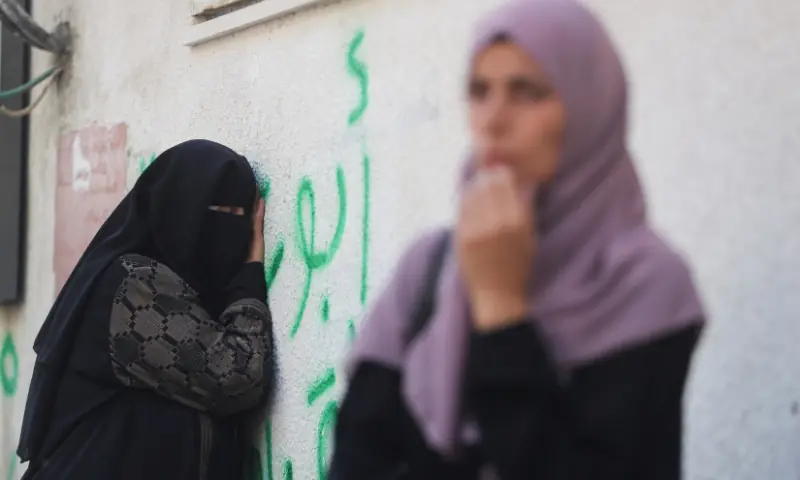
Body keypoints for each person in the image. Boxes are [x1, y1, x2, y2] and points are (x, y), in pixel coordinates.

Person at [329, 0, 706, 479]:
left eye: (527, 92)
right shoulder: (428, 267)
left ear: (590, 106)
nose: (493, 119)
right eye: (479, 91)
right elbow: (355, 462)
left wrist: (500, 305)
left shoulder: (642, 283)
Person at [17, 140, 276, 480]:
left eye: (240, 216)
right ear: (179, 209)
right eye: (217, 212)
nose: (232, 229)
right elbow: (237, 376)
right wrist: (248, 277)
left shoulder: (167, 286)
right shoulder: (133, 288)